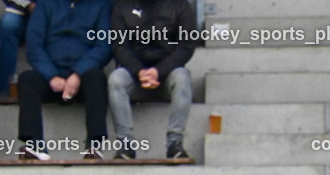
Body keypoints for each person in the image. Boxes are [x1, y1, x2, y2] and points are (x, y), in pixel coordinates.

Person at [16, 0, 111, 160]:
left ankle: (94, 145)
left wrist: (78, 73)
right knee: (27, 79)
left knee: (97, 78)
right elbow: (34, 45)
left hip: (84, 76)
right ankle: (35, 145)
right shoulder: (46, 5)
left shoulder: (101, 6)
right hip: (51, 76)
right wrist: (52, 76)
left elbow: (104, 46)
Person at [107, 0, 196, 160]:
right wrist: (138, 71)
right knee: (116, 80)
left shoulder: (180, 5)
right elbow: (119, 45)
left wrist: (158, 71)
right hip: (134, 74)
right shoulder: (122, 5)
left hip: (167, 72)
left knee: (182, 77)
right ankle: (125, 144)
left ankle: (174, 144)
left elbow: (186, 46)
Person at [0, 0, 32, 98]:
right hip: (22, 12)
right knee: (8, 25)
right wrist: (28, 5)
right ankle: (5, 90)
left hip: (55, 10)